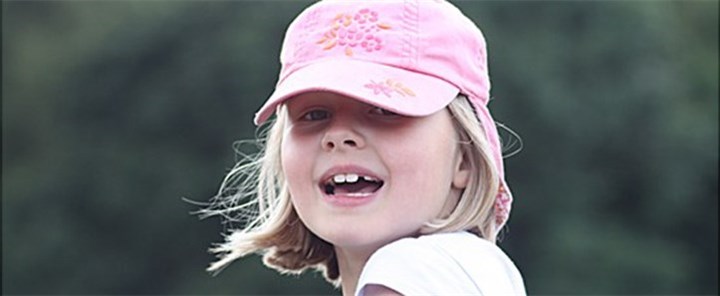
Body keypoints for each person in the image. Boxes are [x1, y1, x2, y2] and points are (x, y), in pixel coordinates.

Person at [200, 0, 526, 295]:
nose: (339, 135)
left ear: (465, 159)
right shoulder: (470, 269)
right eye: (314, 115)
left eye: (385, 110)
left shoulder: (412, 268)